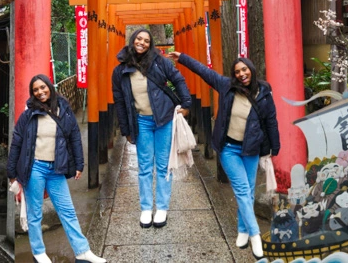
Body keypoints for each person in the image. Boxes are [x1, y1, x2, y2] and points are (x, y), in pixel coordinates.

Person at [173, 52, 279, 258]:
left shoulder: (264, 92)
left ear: (251, 69)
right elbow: (203, 71)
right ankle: (256, 235)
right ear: (233, 75)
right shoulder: (226, 86)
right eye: (237, 71)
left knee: (247, 192)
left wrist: (275, 147)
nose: (241, 74)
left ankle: (242, 230)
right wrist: (183, 58)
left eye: (244, 69)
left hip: (251, 149)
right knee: (241, 190)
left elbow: (271, 121)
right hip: (229, 148)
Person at [7, 75, 104, 263]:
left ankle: (82, 251)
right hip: (35, 167)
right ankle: (38, 252)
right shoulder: (28, 114)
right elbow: (17, 142)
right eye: (35, 90)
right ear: (32, 93)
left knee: (67, 210)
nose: (40, 92)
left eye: (43, 87)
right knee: (35, 213)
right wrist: (12, 173)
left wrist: (79, 163)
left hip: (56, 168)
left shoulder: (64, 109)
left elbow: (74, 136)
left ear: (49, 87)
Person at [110, 29, 194, 230]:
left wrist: (187, 104)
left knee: (164, 166)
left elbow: (178, 79)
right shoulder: (120, 70)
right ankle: (146, 208)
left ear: (150, 44)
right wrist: (126, 129)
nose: (142, 43)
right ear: (132, 40)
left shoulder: (159, 61)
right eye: (139, 39)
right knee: (145, 166)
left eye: (146, 40)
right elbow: (120, 101)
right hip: (141, 122)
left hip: (164, 119)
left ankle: (162, 207)